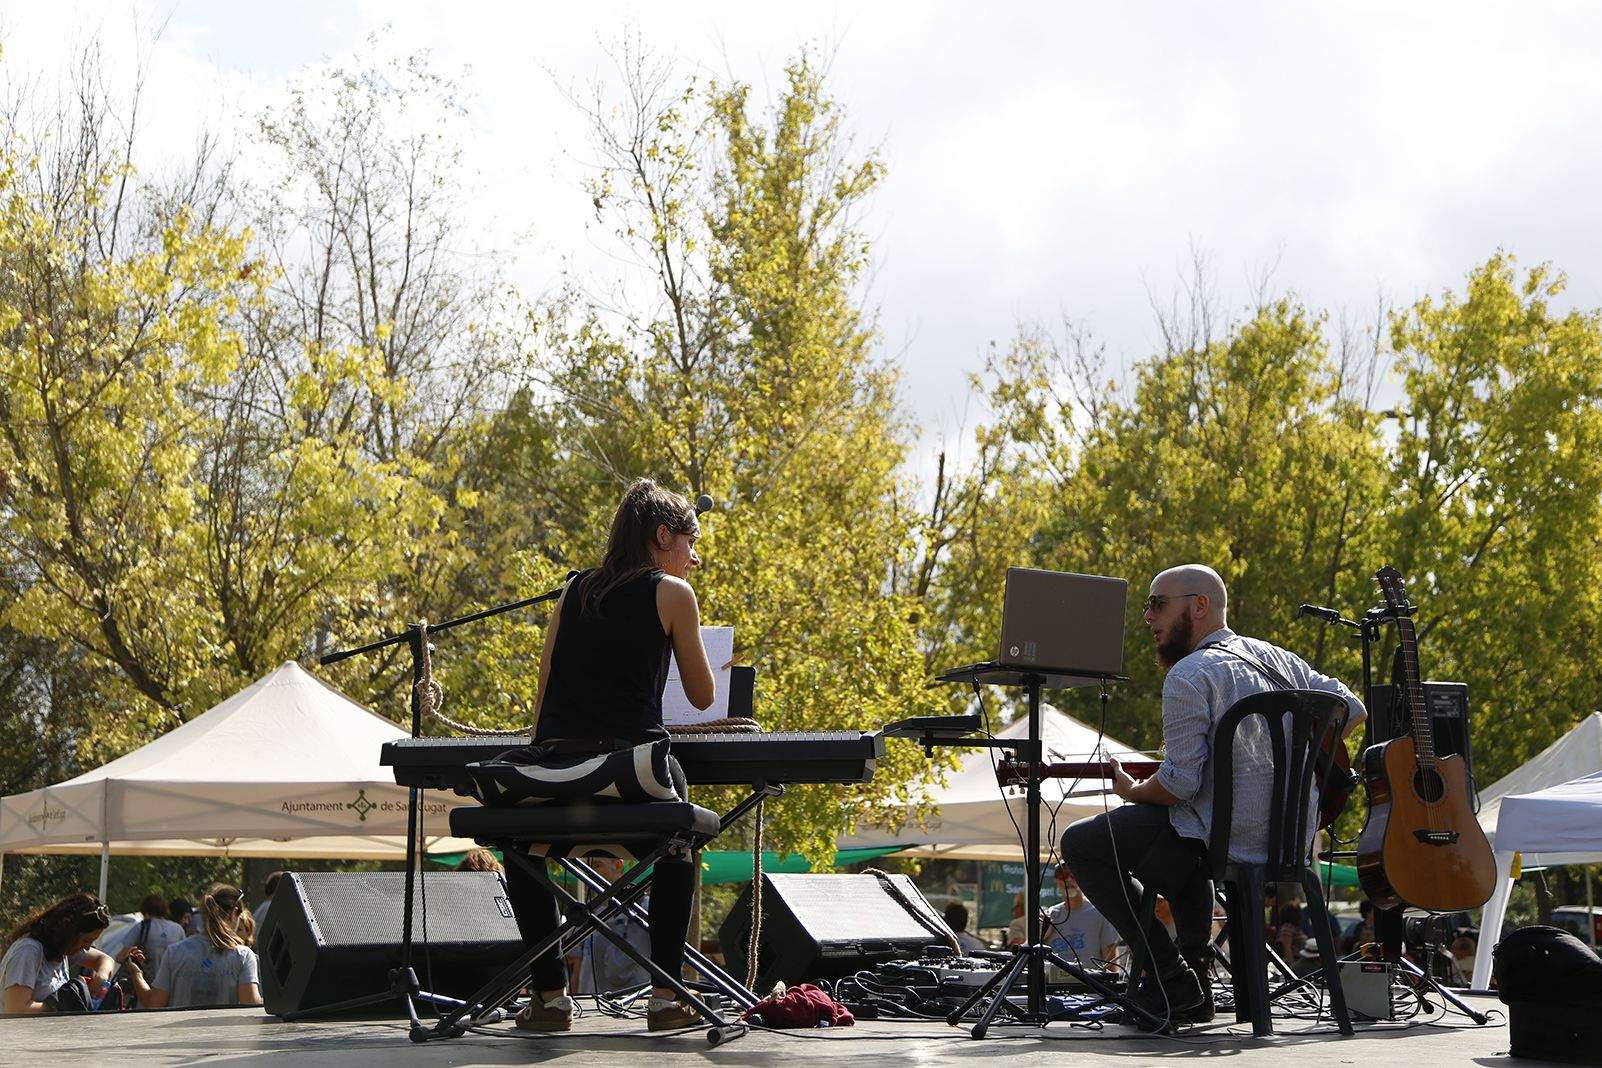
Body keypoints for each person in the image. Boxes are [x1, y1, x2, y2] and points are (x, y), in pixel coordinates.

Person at [1061, 564, 1366, 1028]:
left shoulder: (1188, 675)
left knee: (1083, 843)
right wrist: (1290, 757)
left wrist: (1133, 790)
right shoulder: (1280, 660)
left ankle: (1171, 977)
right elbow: (1354, 709)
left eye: (1157, 604)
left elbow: (1178, 785)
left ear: (1199, 605)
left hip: (1221, 843)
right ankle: (1194, 984)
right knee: (1183, 832)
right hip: (1289, 842)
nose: (1148, 616)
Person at [503, 479, 714, 1034]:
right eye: (690, 544)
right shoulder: (673, 593)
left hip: (556, 782)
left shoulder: (573, 590)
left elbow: (543, 695)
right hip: (632, 780)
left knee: (520, 843)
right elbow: (702, 696)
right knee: (679, 834)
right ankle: (665, 999)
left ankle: (550, 999)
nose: (694, 559)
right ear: (663, 535)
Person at [124, 883, 261, 1009]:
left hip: (178, 1029)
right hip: (225, 1029)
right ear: (233, 912)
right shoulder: (243, 956)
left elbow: (153, 1003)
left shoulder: (175, 952)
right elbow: (250, 1004)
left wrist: (136, 974)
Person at [1, 892, 115, 1013]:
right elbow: (15, 1010)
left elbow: (105, 960)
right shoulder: (28, 951)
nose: (87, 948)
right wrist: (58, 1005)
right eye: (86, 940)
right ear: (68, 931)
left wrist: (101, 977)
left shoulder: (63, 950)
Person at [565, 857, 651, 994]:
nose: (590, 872)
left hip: (637, 1002)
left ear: (618, 865)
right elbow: (576, 966)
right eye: (588, 867)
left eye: (596, 865)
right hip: (589, 1002)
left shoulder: (646, 908)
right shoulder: (586, 913)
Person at [1043, 864, 1121, 968]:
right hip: (1054, 978)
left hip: (1087, 978)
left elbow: (1111, 963)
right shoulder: (1050, 915)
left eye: (1073, 874)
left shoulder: (1100, 913)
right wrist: (1041, 935)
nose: (1068, 880)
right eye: (1063, 875)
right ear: (1056, 881)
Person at [100, 893, 186, 974]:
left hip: (147, 980)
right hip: (171, 980)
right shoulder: (178, 928)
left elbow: (121, 956)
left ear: (145, 911)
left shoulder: (142, 927)